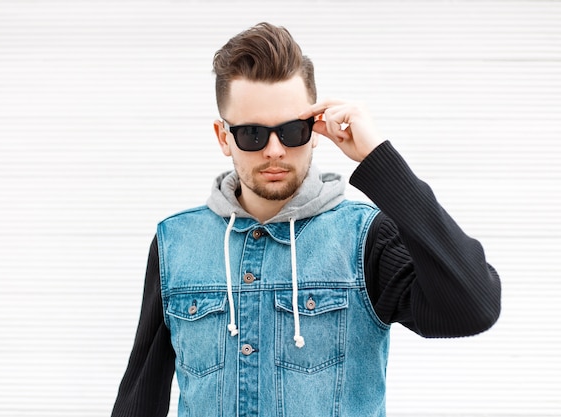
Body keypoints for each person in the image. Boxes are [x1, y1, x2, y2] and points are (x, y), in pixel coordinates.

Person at [110, 22, 501, 417]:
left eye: (292, 130)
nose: (275, 151)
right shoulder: (176, 243)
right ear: (223, 137)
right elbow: (140, 397)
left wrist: (378, 158)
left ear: (315, 131)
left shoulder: (365, 240)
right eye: (251, 134)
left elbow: (473, 306)